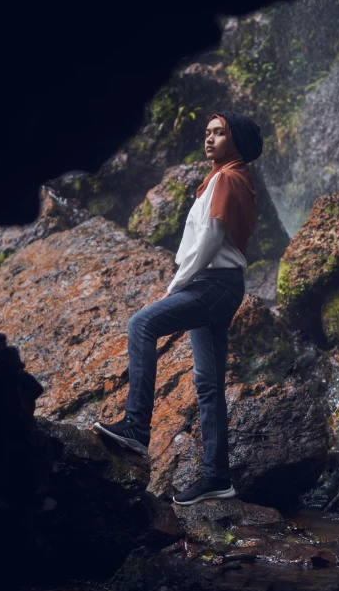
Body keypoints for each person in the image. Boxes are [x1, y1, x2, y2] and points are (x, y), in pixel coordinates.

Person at [92, 110, 263, 505]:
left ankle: (136, 429)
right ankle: (217, 478)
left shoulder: (226, 178)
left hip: (212, 283)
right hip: (223, 285)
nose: (210, 139)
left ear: (235, 141)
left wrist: (177, 283)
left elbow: (211, 239)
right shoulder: (231, 178)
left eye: (219, 133)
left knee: (141, 324)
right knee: (208, 383)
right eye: (208, 133)